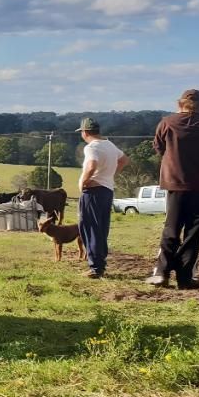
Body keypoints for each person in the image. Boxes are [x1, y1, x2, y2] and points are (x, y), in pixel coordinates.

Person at [146, 89, 199, 289]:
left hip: (175, 183)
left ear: (179, 103)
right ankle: (185, 277)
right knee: (194, 232)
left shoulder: (167, 123)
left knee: (171, 228)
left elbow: (159, 148)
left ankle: (162, 273)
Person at [76, 117, 128, 278]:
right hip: (107, 190)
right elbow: (124, 160)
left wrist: (84, 181)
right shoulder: (109, 145)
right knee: (101, 228)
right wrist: (111, 175)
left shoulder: (92, 147)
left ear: (85, 132)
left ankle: (95, 267)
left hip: (93, 191)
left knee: (90, 227)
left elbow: (91, 165)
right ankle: (100, 263)